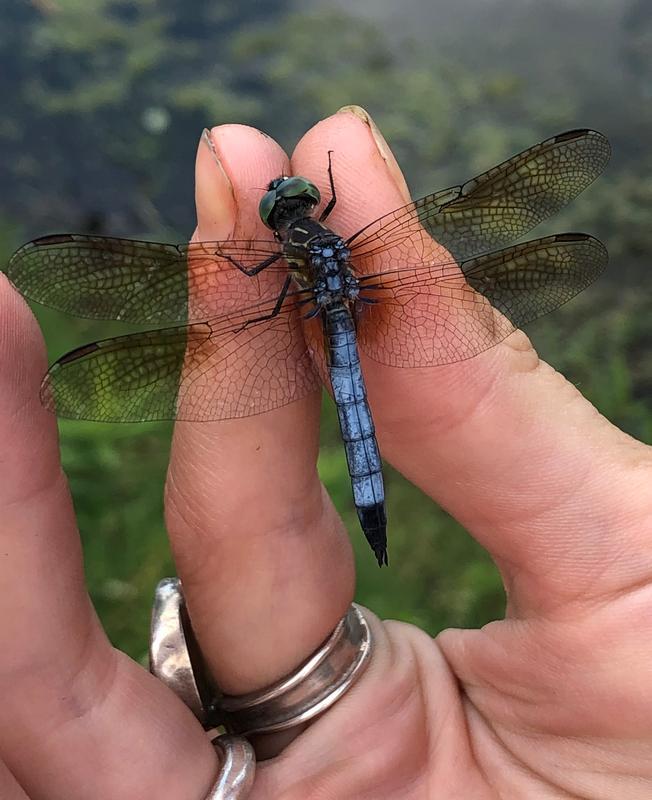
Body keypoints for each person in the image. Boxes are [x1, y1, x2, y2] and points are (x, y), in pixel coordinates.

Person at [0, 106, 650, 799]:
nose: (296, 203)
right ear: (313, 211)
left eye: (296, 200)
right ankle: (376, 521)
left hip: (317, 322)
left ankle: (368, 526)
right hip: (352, 306)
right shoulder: (340, 240)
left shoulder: (278, 258)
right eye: (296, 202)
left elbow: (253, 289)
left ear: (287, 221)